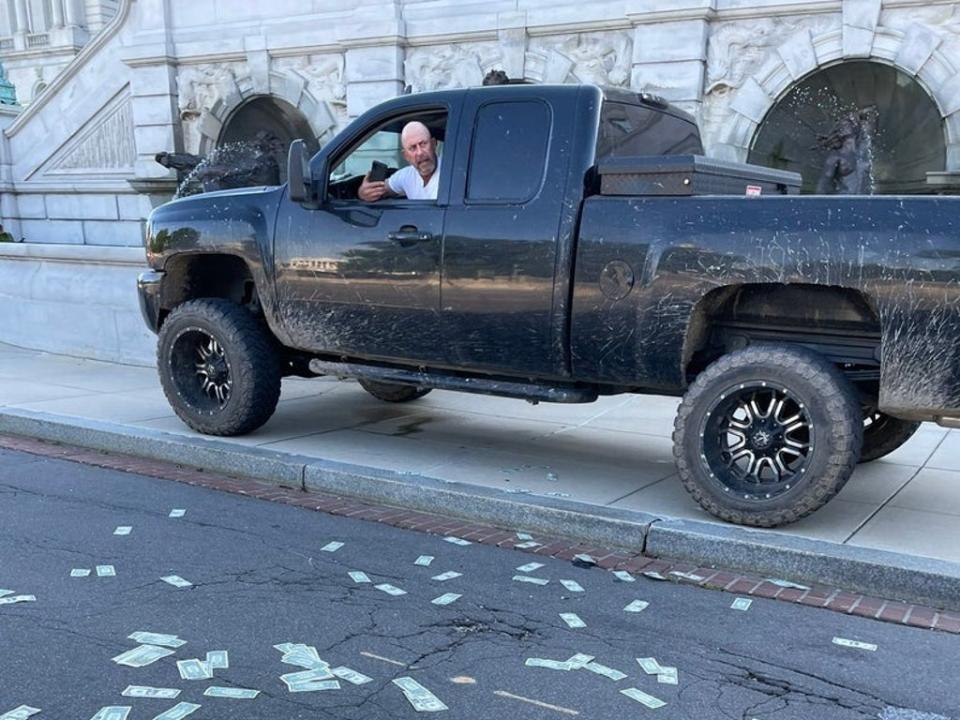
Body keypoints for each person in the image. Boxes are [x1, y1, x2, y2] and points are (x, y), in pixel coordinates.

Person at [358, 121, 440, 201]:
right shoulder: (407, 176)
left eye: (423, 144)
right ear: (406, 156)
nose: (420, 152)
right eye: (413, 148)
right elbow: (379, 190)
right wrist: (363, 192)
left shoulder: (450, 173)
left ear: (433, 144)